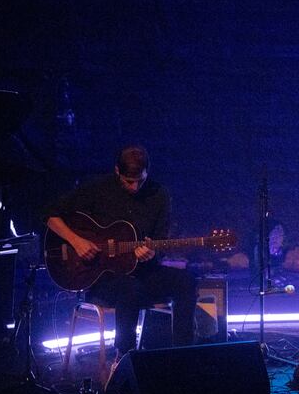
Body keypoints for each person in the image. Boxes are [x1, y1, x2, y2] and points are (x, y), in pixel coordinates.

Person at [46, 145, 197, 375]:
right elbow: (50, 215)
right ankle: (124, 357)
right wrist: (77, 241)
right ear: (117, 171)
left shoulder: (159, 195)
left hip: (144, 273)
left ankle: (183, 358)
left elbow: (160, 240)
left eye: (140, 181)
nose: (135, 187)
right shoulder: (97, 189)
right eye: (129, 182)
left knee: (187, 281)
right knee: (130, 288)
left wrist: (152, 252)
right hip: (102, 279)